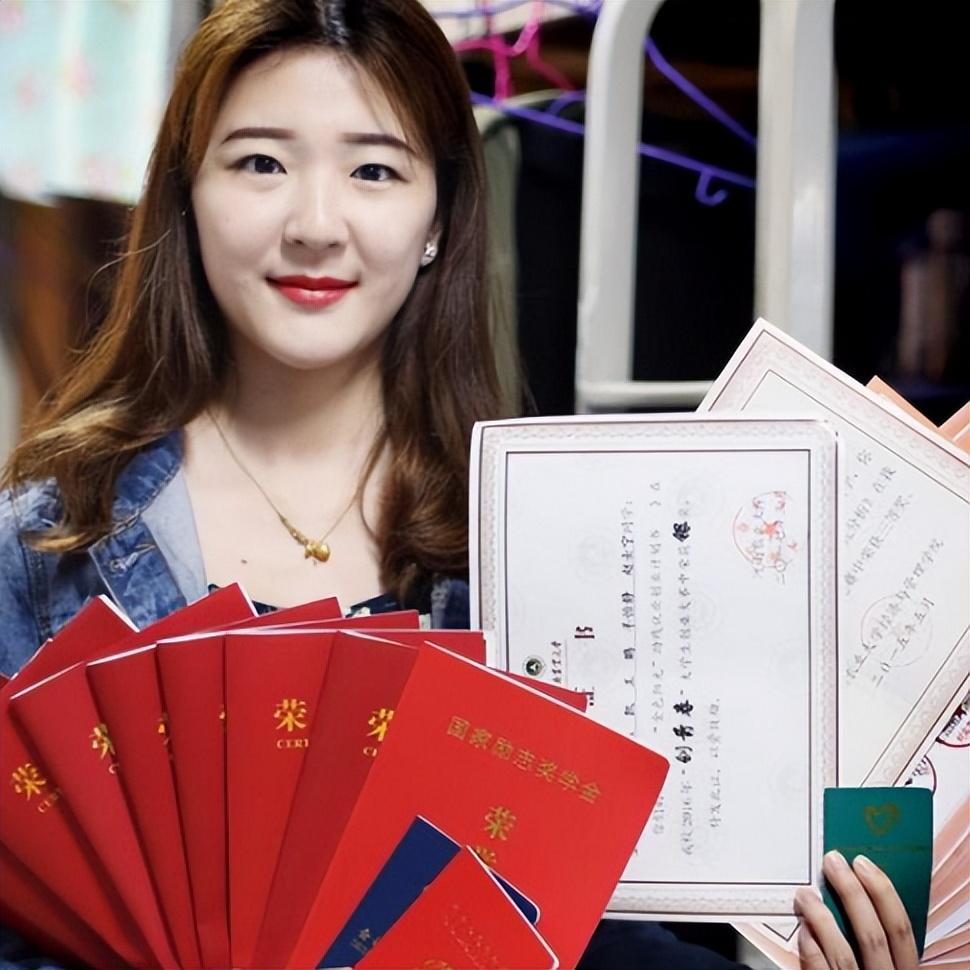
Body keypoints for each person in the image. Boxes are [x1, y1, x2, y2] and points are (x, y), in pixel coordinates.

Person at [0, 2, 920, 968]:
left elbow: (587, 931)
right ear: (187, 198)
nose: (315, 226)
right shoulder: (47, 545)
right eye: (261, 163)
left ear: (439, 218)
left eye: (374, 170)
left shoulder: (539, 548)